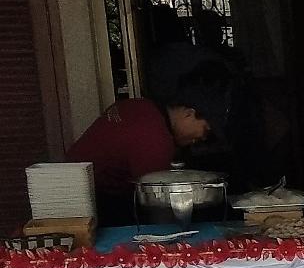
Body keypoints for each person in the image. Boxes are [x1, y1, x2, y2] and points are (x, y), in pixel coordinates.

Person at [67, 62, 234, 224]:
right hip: (85, 202)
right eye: (205, 129)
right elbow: (159, 203)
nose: (203, 137)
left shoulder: (140, 106)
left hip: (75, 183)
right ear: (189, 114)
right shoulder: (155, 140)